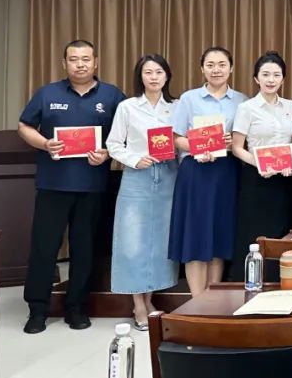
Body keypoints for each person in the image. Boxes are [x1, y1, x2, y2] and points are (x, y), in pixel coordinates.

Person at [18, 39, 126, 334]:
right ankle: (37, 310)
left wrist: (107, 152)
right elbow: (24, 126)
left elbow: (127, 134)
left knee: (85, 249)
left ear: (96, 62)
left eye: (86, 59)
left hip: (93, 185)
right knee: (44, 248)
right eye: (74, 59)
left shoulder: (112, 95)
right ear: (64, 63)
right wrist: (44, 143)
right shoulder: (47, 93)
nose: (80, 64)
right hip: (53, 184)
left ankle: (76, 308)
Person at [105, 54, 179, 330]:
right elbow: (114, 144)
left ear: (167, 75)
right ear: (140, 76)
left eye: (159, 72)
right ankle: (138, 304)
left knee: (160, 242)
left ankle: (150, 300)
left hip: (169, 176)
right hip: (137, 177)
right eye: (148, 72)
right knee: (133, 241)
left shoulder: (177, 107)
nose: (154, 77)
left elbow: (183, 141)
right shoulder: (127, 107)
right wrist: (136, 159)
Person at [169, 46, 247, 297]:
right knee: (196, 235)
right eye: (210, 65)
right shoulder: (189, 99)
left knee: (218, 235)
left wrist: (231, 143)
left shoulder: (242, 101)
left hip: (226, 172)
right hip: (196, 172)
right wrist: (197, 146)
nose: (216, 70)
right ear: (202, 68)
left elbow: (244, 140)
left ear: (231, 68)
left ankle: (212, 299)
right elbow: (175, 138)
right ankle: (197, 301)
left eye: (222, 64)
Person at [229, 51, 292, 281]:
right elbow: (237, 147)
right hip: (257, 179)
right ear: (256, 79)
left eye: (276, 75)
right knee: (255, 234)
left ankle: (283, 283)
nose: (271, 79)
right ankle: (252, 283)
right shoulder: (247, 108)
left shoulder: (291, 107)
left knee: (283, 234)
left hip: (286, 179)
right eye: (265, 74)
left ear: (283, 79)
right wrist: (260, 164)